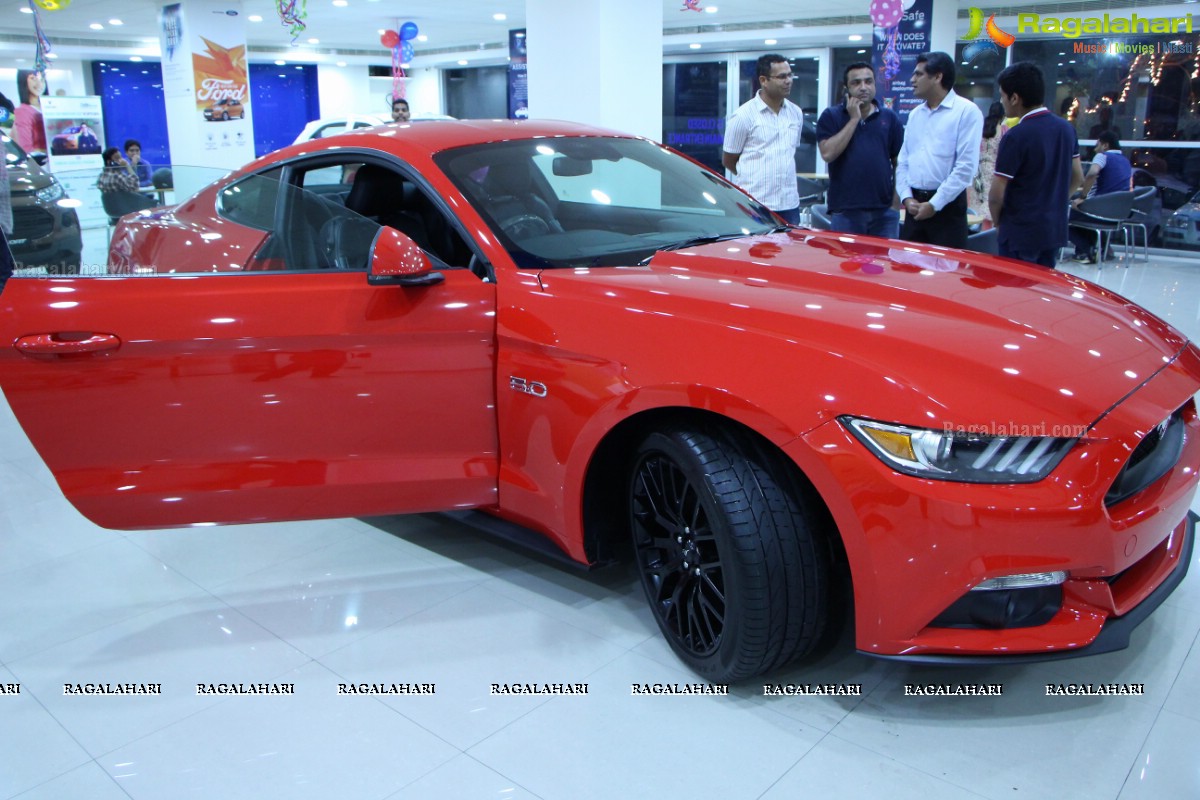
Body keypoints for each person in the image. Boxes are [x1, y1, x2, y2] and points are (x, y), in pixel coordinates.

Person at [988, 62, 1083, 269]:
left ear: (1015, 98)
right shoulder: (1066, 129)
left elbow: (996, 194)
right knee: (1042, 292)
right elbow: (1078, 177)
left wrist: (997, 223)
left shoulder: (1016, 136)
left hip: (1020, 231)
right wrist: (1055, 201)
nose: (1002, 102)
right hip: (1053, 229)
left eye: (1003, 96)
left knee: (1016, 291)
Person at [895, 51, 983, 248]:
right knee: (908, 270)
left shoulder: (966, 112)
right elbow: (903, 162)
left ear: (937, 76)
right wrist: (906, 197)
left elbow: (965, 168)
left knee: (946, 274)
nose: (912, 80)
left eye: (919, 74)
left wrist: (935, 204)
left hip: (947, 208)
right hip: (914, 206)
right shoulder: (915, 115)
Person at [816, 62, 904, 238]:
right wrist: (854, 119)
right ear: (846, 87)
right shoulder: (831, 116)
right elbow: (828, 154)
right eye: (856, 83)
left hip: (884, 212)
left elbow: (899, 162)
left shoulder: (889, 118)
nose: (863, 87)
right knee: (846, 265)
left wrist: (896, 200)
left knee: (884, 264)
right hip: (846, 211)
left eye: (868, 81)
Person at [722, 53, 805, 224]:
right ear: (763, 80)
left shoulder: (796, 113)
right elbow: (729, 160)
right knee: (754, 251)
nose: (788, 81)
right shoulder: (743, 116)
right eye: (782, 77)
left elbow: (790, 152)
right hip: (754, 205)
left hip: (789, 204)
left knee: (789, 251)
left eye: (790, 75)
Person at [1068, 130, 1132, 262]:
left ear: (1105, 146)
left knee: (1065, 216)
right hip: (1119, 213)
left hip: (1101, 209)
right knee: (1081, 215)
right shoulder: (1125, 161)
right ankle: (1100, 249)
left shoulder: (1102, 156)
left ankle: (1087, 250)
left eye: (1097, 144)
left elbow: (1092, 173)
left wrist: (1083, 196)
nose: (1095, 148)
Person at [968, 102, 1007, 229]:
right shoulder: (1005, 130)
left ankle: (976, 228)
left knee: (978, 200)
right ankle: (989, 231)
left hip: (978, 170)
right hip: (995, 171)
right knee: (990, 201)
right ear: (1002, 114)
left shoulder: (981, 127)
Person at [15, 69, 47, 154]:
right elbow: (25, 148)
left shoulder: (50, 108)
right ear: (23, 81)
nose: (39, 84)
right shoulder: (22, 112)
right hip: (41, 164)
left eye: (42, 80)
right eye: (33, 79)